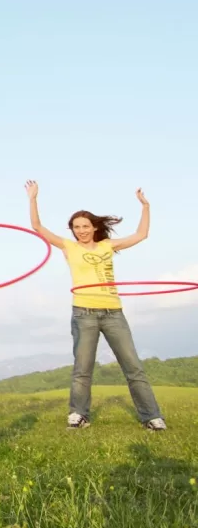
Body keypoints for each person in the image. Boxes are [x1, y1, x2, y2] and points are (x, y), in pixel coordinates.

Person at [25, 180, 166, 431]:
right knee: (82, 369)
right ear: (72, 230)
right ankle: (79, 415)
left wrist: (145, 206)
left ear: (94, 227)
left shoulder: (107, 246)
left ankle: (152, 417)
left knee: (133, 367)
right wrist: (33, 198)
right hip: (84, 313)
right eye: (77, 227)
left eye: (85, 226)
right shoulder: (68, 247)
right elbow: (36, 227)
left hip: (113, 313)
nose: (81, 231)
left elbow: (141, 235)